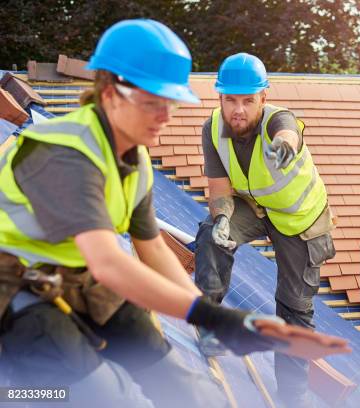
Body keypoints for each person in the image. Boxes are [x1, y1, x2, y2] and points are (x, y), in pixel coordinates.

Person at [0, 20, 340, 408]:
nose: (166, 115)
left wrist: (207, 313)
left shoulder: (134, 158)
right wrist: (217, 319)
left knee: (184, 388)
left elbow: (154, 251)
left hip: (82, 281)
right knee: (110, 397)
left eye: (171, 102)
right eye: (153, 101)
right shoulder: (65, 153)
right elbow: (110, 263)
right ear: (111, 92)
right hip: (17, 294)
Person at [195, 52, 336, 407]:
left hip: (299, 220)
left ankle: (292, 397)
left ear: (263, 98)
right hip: (254, 207)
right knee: (212, 233)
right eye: (230, 100)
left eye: (248, 100)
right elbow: (219, 188)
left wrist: (285, 144)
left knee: (293, 309)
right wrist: (224, 217)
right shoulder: (213, 128)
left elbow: (287, 132)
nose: (238, 110)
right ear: (220, 98)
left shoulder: (278, 120)